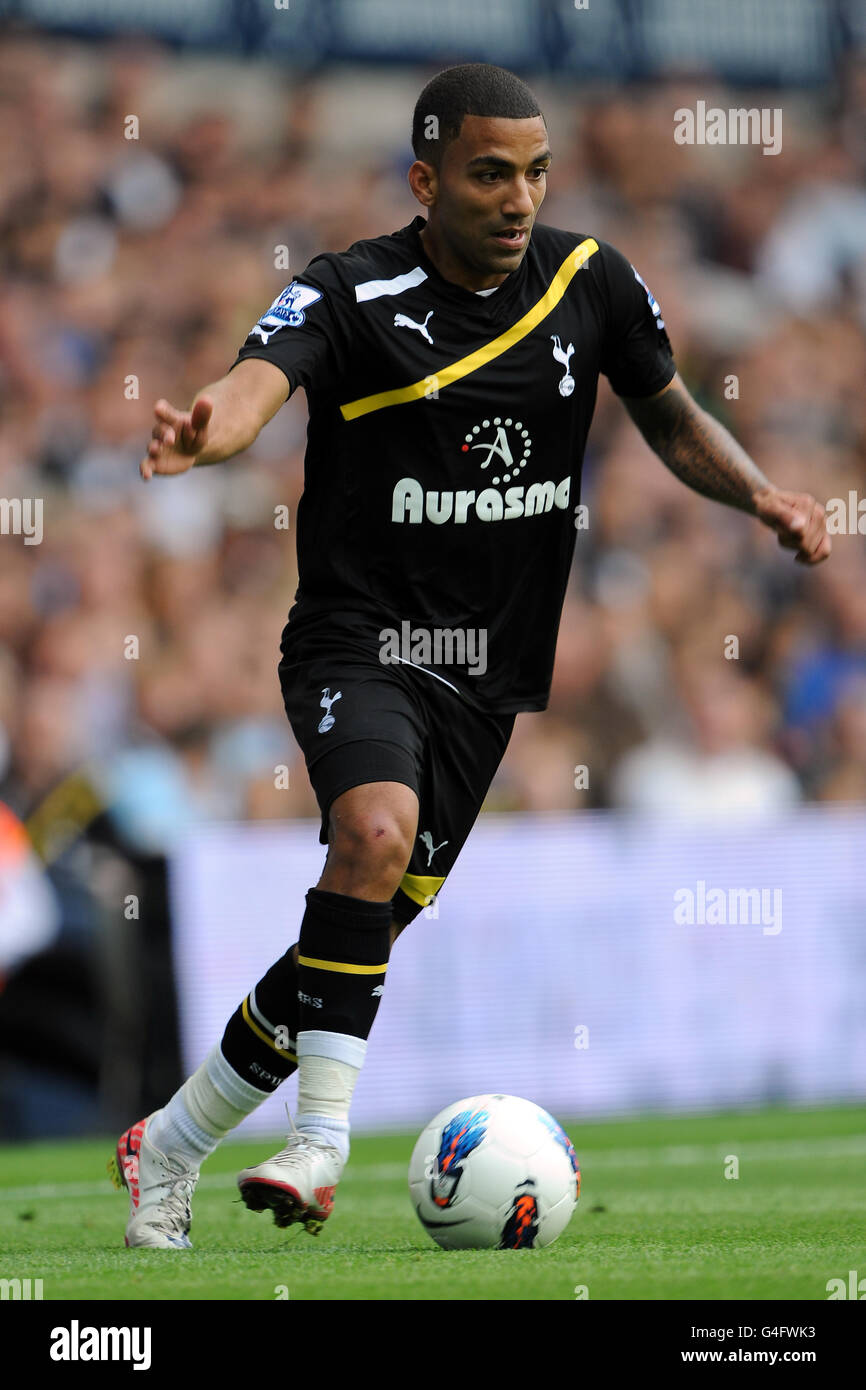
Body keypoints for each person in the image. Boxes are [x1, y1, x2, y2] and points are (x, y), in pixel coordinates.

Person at [112, 63, 830, 1248]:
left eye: (535, 172)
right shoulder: (348, 292)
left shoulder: (587, 281)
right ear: (425, 179)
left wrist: (761, 495)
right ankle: (320, 1140)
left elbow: (667, 411)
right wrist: (208, 433)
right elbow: (250, 387)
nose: (518, 198)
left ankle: (172, 1144)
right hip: (360, 637)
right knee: (372, 836)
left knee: (350, 941)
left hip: (487, 679)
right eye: (490, 173)